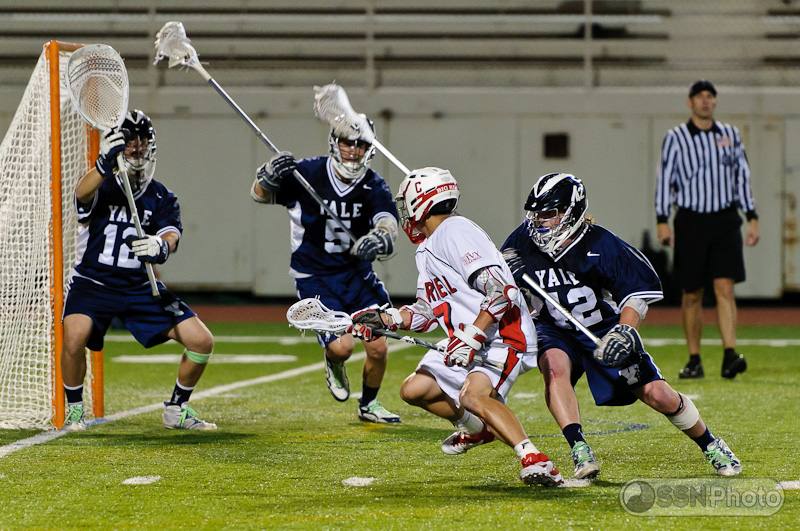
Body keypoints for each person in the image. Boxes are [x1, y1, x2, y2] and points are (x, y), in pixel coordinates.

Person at [502, 172, 742, 479]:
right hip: (554, 327)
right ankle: (579, 449)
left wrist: (626, 331)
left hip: (602, 328)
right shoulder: (521, 240)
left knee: (657, 394)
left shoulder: (601, 244)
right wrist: (504, 272)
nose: (539, 222)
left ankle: (710, 444)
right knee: (554, 368)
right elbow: (495, 279)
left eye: (548, 214)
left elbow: (637, 292)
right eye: (535, 214)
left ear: (571, 213)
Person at [349, 167, 563, 486]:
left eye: (406, 203)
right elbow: (425, 312)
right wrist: (386, 319)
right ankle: (477, 429)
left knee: (472, 397)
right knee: (414, 390)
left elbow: (502, 291)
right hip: (469, 338)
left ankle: (536, 459)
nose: (405, 212)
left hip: (501, 334)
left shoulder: (455, 231)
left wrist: (472, 337)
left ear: (421, 202)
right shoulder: (428, 248)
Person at [62, 109, 216, 431]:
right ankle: (74, 410)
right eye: (129, 139)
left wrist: (161, 246)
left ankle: (177, 408)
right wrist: (102, 166)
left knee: (201, 341)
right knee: (74, 337)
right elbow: (81, 194)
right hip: (93, 282)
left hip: (140, 286)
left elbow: (172, 235)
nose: (136, 146)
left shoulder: (162, 196)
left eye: (142, 139)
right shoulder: (103, 184)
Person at [250, 113, 401, 423]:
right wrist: (267, 176)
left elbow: (388, 223)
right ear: (335, 143)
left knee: (378, 347)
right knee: (343, 348)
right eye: (348, 143)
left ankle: (369, 404)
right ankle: (333, 362)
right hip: (315, 277)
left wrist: (379, 238)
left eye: (361, 145)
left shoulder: (373, 184)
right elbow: (258, 195)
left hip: (357, 275)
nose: (354, 151)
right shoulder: (308, 174)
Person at [656, 79, 759, 380]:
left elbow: (742, 177)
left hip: (725, 219)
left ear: (715, 101)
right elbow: (665, 179)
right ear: (689, 102)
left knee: (725, 287)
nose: (705, 100)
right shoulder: (675, 138)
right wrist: (662, 219)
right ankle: (694, 359)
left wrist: (752, 217)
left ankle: (730, 354)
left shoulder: (730, 135)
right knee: (691, 292)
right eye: (699, 96)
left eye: (709, 96)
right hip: (690, 220)